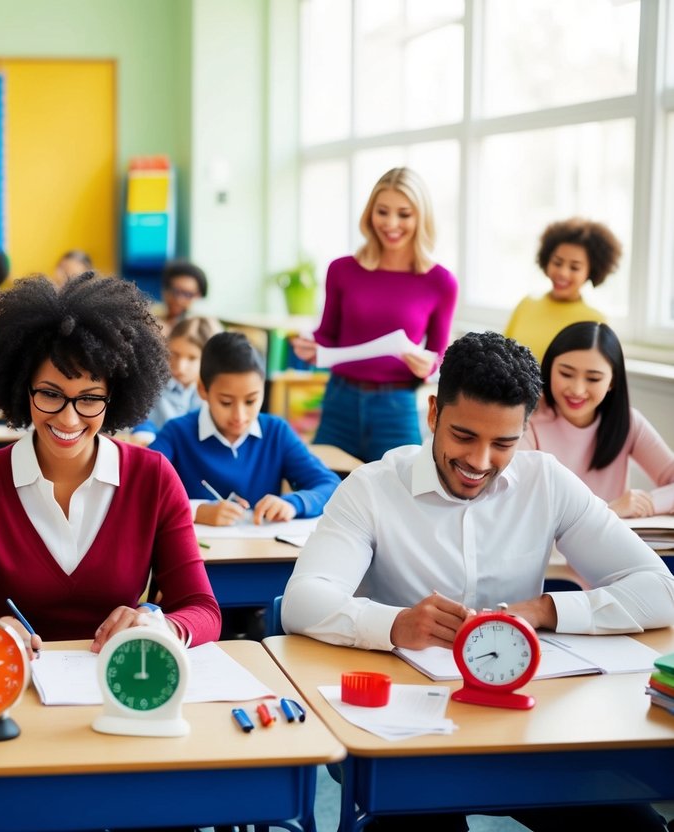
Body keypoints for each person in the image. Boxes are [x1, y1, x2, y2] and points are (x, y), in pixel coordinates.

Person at [282, 330, 674, 831]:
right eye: (464, 436)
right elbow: (302, 601)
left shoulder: (547, 483)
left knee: (635, 829)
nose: (480, 461)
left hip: (528, 728)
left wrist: (544, 610)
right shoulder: (372, 489)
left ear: (525, 430)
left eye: (504, 443)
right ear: (433, 414)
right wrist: (397, 623)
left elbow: (660, 590)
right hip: (409, 738)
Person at [0, 273, 221, 653]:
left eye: (89, 398)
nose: (69, 420)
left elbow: (204, 610)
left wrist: (160, 625)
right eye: (50, 394)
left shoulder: (152, 477)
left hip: (120, 688)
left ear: (116, 395)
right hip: (11, 687)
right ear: (22, 388)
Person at [291, 167, 458, 462]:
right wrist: (308, 343)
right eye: (382, 211)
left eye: (404, 214)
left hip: (396, 406)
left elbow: (440, 357)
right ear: (370, 213)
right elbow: (328, 334)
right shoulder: (342, 270)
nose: (391, 223)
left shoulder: (441, 282)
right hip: (339, 400)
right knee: (326, 487)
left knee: (401, 497)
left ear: (421, 218)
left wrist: (429, 367)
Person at [151, 331, 339, 526]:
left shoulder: (276, 432)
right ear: (203, 390)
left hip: (259, 552)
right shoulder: (177, 433)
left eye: (251, 401)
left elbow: (330, 485)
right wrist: (195, 511)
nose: (239, 416)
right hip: (202, 553)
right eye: (226, 402)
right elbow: (138, 487)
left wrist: (294, 503)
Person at [520, 321, 673, 518]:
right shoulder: (528, 421)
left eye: (593, 379)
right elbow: (524, 509)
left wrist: (646, 503)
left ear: (612, 382)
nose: (577, 389)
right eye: (566, 374)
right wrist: (610, 511)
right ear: (549, 370)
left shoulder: (629, 422)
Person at [504, 218, 621, 364]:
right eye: (557, 263)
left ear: (591, 271)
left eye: (574, 267)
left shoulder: (595, 322)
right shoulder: (526, 304)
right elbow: (502, 357)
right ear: (547, 261)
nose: (563, 273)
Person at [131, 315, 218, 444]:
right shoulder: (153, 384)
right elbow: (143, 421)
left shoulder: (213, 394)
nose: (180, 367)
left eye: (192, 358)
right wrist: (144, 434)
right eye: (175, 354)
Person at [158, 259, 208, 337]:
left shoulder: (202, 328)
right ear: (164, 290)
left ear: (198, 295)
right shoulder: (150, 316)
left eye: (187, 294)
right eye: (175, 291)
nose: (179, 299)